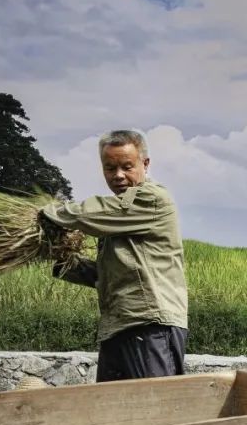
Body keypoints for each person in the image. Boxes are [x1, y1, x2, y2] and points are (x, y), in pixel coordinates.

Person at [39, 129, 189, 382]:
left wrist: (46, 214)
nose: (118, 175)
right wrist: (61, 260)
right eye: (110, 168)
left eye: (127, 167)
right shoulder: (117, 222)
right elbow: (108, 272)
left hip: (150, 323)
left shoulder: (151, 199)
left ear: (145, 163)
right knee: (112, 412)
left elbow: (85, 215)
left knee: (155, 411)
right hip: (118, 325)